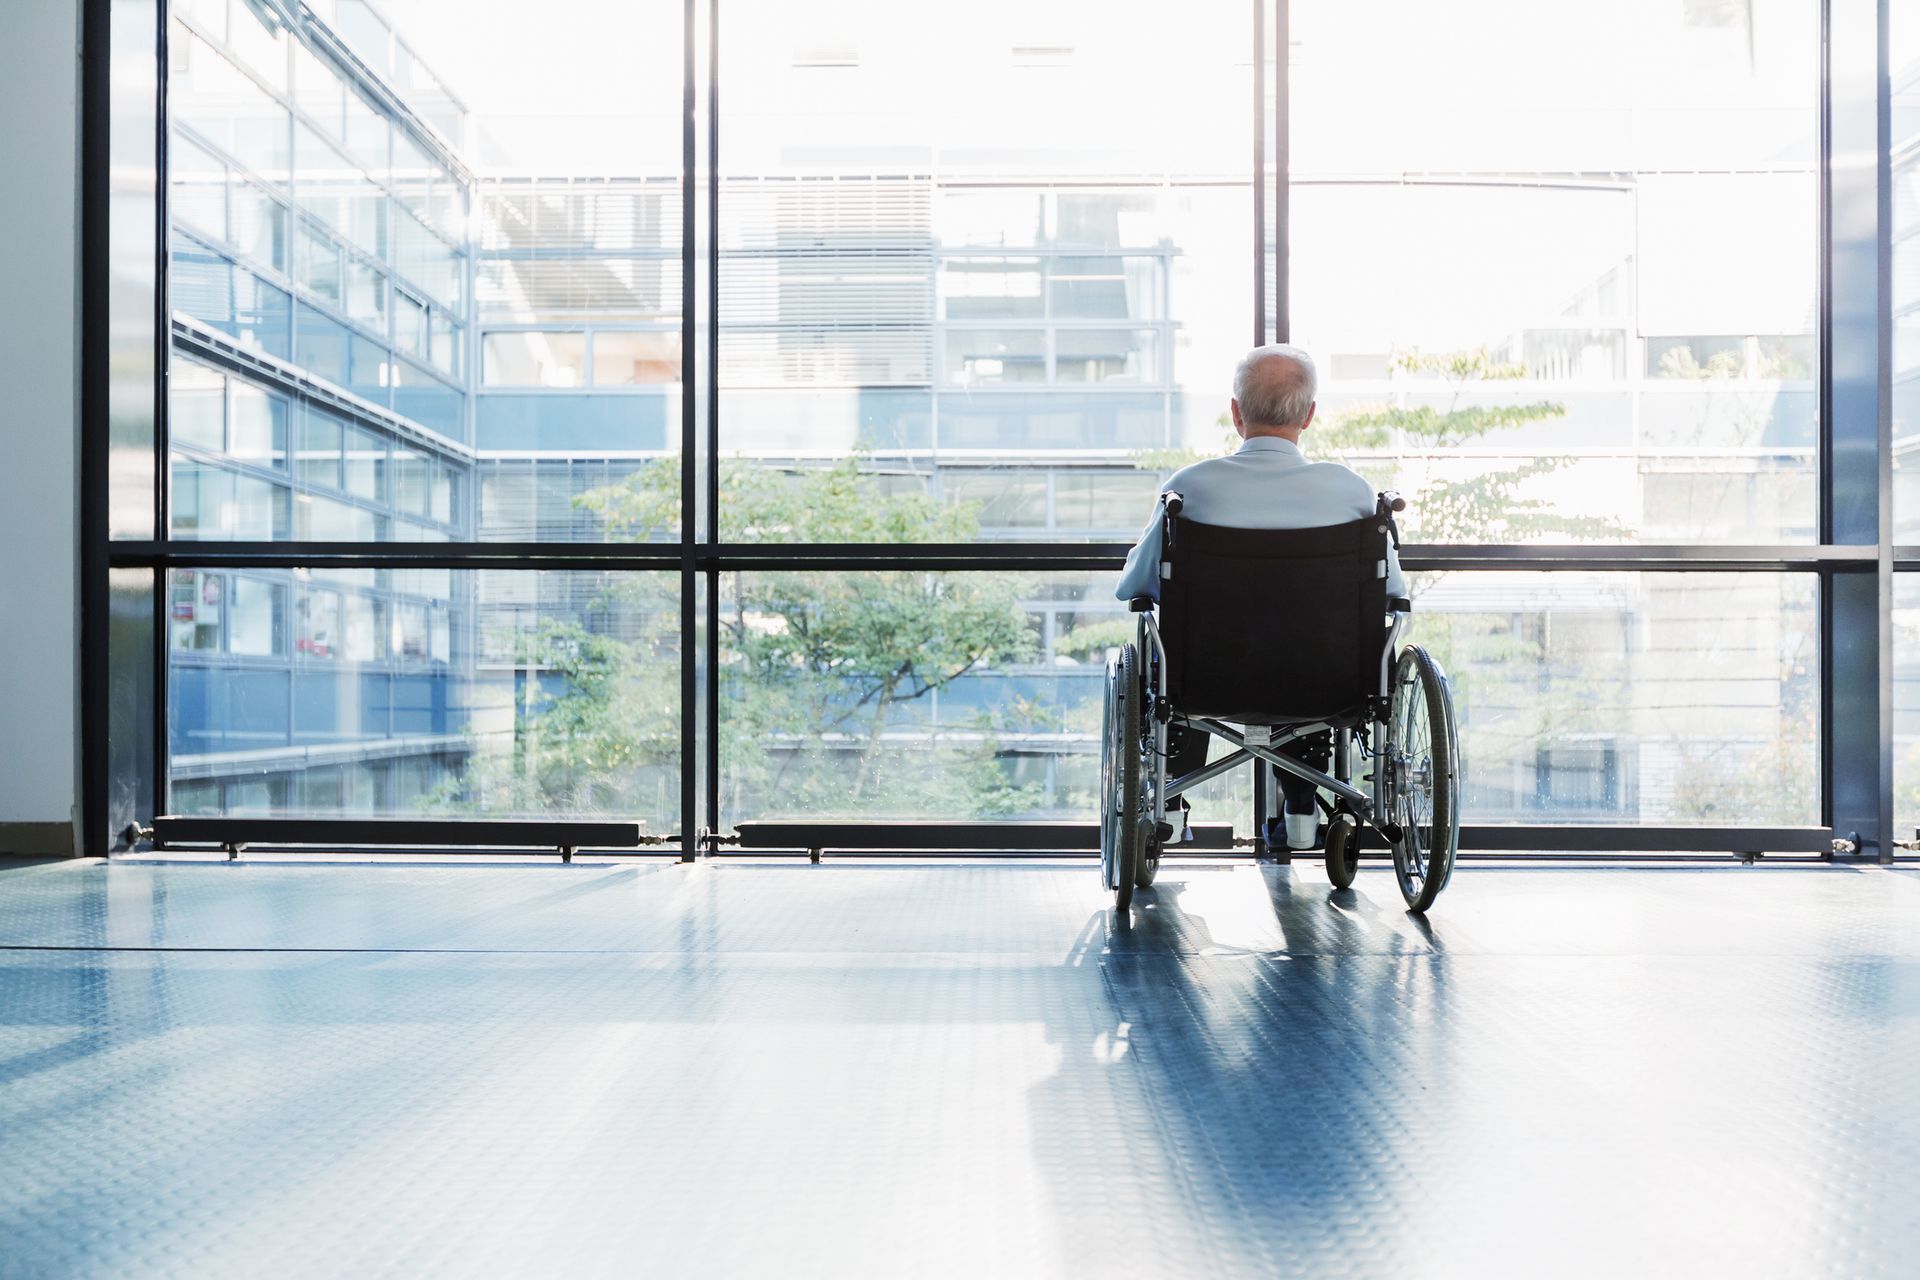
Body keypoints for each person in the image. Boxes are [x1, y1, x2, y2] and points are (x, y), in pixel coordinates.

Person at [1115, 344, 1406, 851]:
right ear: (1310, 416)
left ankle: (1167, 803)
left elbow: (1133, 588)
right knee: (1312, 654)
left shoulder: (1189, 490)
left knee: (1171, 656)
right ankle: (1301, 812)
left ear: (1235, 412)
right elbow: (1395, 596)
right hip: (1329, 685)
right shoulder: (1352, 493)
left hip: (1205, 685)